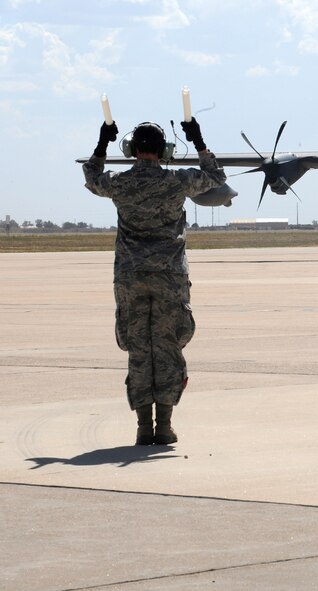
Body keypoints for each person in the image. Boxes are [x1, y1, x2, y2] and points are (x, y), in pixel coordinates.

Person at [83, 117, 226, 445]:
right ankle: (164, 426)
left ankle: (143, 427)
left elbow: (92, 178)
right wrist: (199, 141)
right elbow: (216, 176)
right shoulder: (177, 182)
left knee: (138, 347)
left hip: (130, 277)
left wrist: (102, 142)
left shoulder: (119, 183)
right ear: (164, 151)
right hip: (168, 277)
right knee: (167, 346)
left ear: (132, 150)